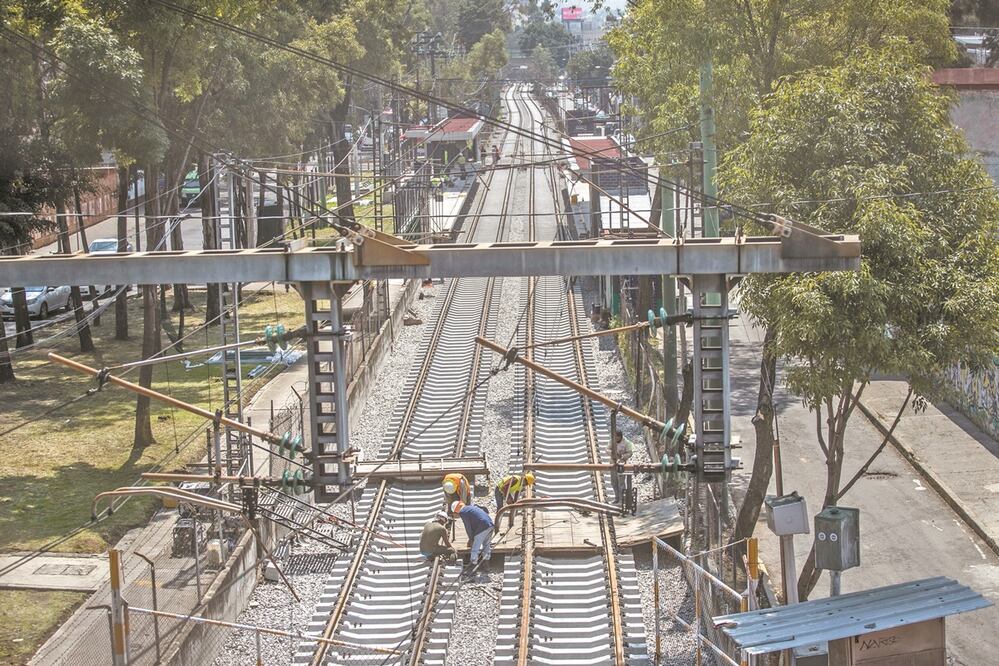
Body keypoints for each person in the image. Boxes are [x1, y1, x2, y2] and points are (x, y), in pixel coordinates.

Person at [452, 501, 494, 573]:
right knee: (486, 545)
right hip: (490, 525)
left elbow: (468, 526)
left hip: (482, 527)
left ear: (456, 510)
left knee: (475, 547)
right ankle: (486, 565)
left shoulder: (463, 512)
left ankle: (472, 567)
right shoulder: (471, 507)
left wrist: (471, 539)